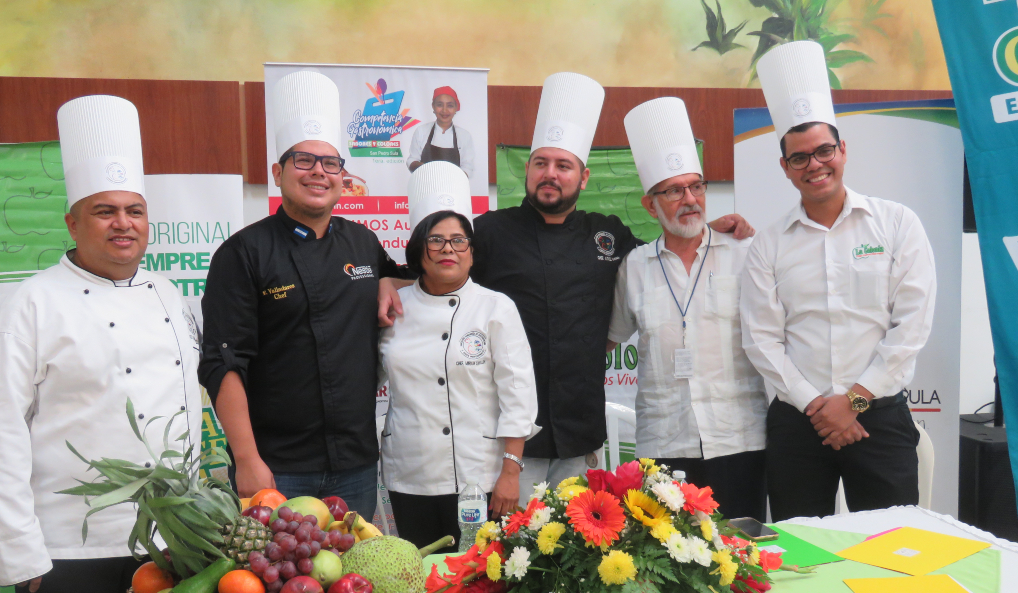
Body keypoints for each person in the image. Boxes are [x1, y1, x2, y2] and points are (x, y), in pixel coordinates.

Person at [467, 72, 755, 500]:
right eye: (541, 163)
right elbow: (438, 274)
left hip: (580, 433)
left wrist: (701, 226)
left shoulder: (607, 234)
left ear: (582, 178)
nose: (551, 174)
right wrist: (389, 285)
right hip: (506, 434)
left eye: (563, 166)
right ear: (527, 170)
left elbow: (666, 255)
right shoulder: (488, 232)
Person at [0, 95, 201, 593]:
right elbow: (0, 428)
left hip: (156, 541)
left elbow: (184, 408)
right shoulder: (31, 302)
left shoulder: (166, 293)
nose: (123, 223)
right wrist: (20, 549)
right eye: (104, 210)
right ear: (72, 222)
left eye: (134, 210)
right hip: (64, 549)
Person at [742, 40, 937, 521]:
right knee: (800, 555)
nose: (815, 165)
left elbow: (911, 326)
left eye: (824, 150)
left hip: (881, 418)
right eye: (800, 158)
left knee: (893, 550)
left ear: (842, 151)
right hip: (797, 426)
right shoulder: (769, 244)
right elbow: (762, 341)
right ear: (785, 168)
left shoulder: (896, 224)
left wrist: (852, 401)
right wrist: (819, 408)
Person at [199, 71, 406, 521]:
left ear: (342, 177)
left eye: (330, 163)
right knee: (282, 590)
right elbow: (223, 363)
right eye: (303, 160)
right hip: (277, 466)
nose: (318, 172)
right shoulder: (242, 253)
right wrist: (248, 460)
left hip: (355, 461)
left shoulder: (363, 243)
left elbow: (418, 280)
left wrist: (389, 280)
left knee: (353, 582)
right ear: (278, 172)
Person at [608, 97, 768, 520]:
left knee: (740, 557)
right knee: (668, 563)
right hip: (664, 442)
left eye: (697, 186)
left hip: (740, 438)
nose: (690, 199)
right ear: (650, 204)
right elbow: (608, 340)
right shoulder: (634, 268)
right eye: (674, 190)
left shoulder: (746, 253)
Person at [378, 161, 538, 548]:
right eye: (435, 239)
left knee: (483, 584)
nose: (447, 249)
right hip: (411, 473)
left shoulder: (495, 308)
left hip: (481, 474)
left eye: (458, 239)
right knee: (421, 582)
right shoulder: (392, 306)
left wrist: (510, 473)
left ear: (471, 250)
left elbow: (518, 398)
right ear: (419, 248)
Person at [407, 86, 476, 178]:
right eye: (439, 105)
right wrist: (427, 169)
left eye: (450, 105)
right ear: (433, 106)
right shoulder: (421, 131)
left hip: (454, 188)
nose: (444, 110)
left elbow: (467, 167)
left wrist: (451, 179)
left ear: (456, 108)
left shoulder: (464, 136)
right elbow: (412, 160)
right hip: (425, 186)